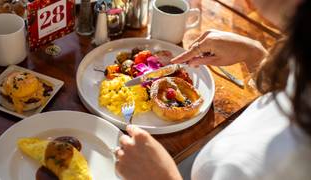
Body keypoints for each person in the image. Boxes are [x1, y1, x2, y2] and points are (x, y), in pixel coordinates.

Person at [114, 0, 311, 179]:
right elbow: (286, 92)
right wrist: (253, 54)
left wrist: (164, 176)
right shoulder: (300, 52)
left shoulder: (266, 163)